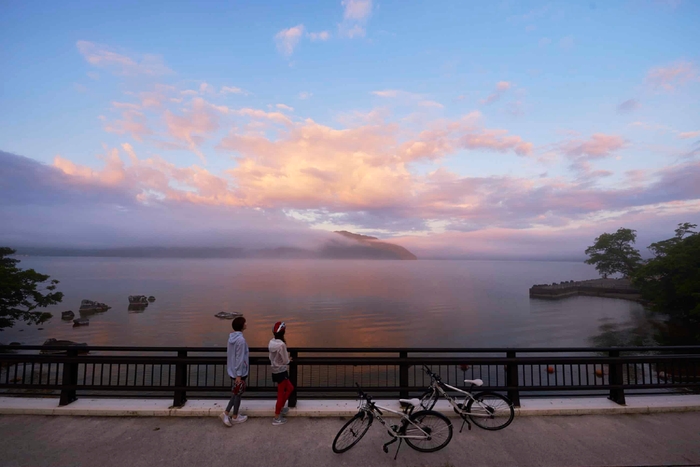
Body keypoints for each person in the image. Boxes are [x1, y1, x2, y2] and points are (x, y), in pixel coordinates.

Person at [220, 316, 249, 427]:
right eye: (245, 322)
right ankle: (232, 415)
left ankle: (231, 414)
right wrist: (239, 374)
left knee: (237, 393)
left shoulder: (231, 338)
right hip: (239, 371)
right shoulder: (241, 340)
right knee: (237, 393)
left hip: (232, 369)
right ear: (242, 326)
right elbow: (239, 357)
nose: (246, 324)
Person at [268, 321, 294, 426]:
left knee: (290, 388)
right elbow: (284, 360)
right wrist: (289, 360)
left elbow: (272, 357)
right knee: (280, 393)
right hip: (281, 370)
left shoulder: (271, 342)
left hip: (275, 370)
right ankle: (277, 416)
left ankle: (281, 408)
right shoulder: (282, 345)